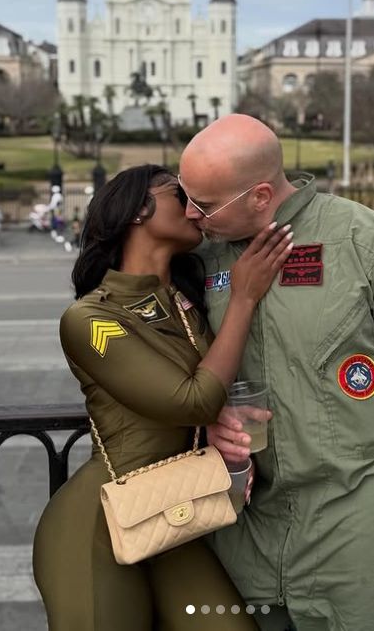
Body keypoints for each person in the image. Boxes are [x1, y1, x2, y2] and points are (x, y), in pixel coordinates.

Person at [178, 115, 374, 631]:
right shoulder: (199, 258)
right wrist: (208, 412)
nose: (189, 214)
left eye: (203, 204)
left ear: (261, 194)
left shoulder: (368, 241)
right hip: (250, 536)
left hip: (366, 534)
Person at [33, 165, 294, 631]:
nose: (195, 209)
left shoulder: (183, 301)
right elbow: (191, 401)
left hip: (177, 515)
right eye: (180, 195)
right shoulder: (90, 318)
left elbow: (207, 397)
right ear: (138, 210)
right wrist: (243, 299)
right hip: (99, 523)